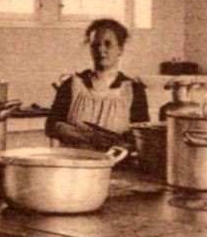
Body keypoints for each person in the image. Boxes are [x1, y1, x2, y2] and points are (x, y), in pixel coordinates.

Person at [46, 18, 150, 150]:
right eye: (95, 45)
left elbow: (141, 135)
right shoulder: (72, 84)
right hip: (74, 164)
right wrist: (88, 136)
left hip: (115, 166)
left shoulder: (133, 89)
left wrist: (119, 141)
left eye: (108, 44)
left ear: (120, 49)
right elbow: (51, 127)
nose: (101, 50)